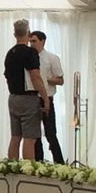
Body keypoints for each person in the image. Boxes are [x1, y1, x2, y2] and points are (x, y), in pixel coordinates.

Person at [3, 18, 44, 160]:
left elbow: (7, 76)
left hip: (13, 97)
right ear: (29, 33)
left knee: (15, 136)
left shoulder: (10, 53)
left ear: (14, 34)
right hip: (28, 98)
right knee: (30, 138)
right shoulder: (30, 53)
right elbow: (35, 77)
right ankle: (28, 171)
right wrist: (44, 97)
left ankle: (12, 166)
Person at [31, 29, 67, 164]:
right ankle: (38, 162)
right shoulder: (29, 58)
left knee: (50, 133)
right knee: (34, 134)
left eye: (34, 41)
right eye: (30, 41)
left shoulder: (52, 58)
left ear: (42, 41)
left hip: (47, 98)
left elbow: (60, 80)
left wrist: (44, 80)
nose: (31, 44)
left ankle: (59, 163)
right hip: (32, 98)